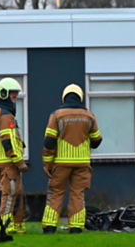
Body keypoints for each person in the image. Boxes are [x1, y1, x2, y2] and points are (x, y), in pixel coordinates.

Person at [41, 84, 102, 234]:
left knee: (56, 192)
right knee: (77, 194)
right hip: (82, 162)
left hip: (61, 162)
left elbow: (49, 141)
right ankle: (76, 227)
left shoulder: (56, 115)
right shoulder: (89, 116)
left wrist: (47, 163)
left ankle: (49, 226)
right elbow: (97, 141)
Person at [0, 77, 28, 234]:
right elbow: (7, 140)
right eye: (13, 94)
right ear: (4, 94)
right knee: (10, 193)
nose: (15, 97)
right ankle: (5, 224)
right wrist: (18, 161)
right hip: (8, 161)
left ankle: (17, 225)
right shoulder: (5, 115)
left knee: (15, 192)